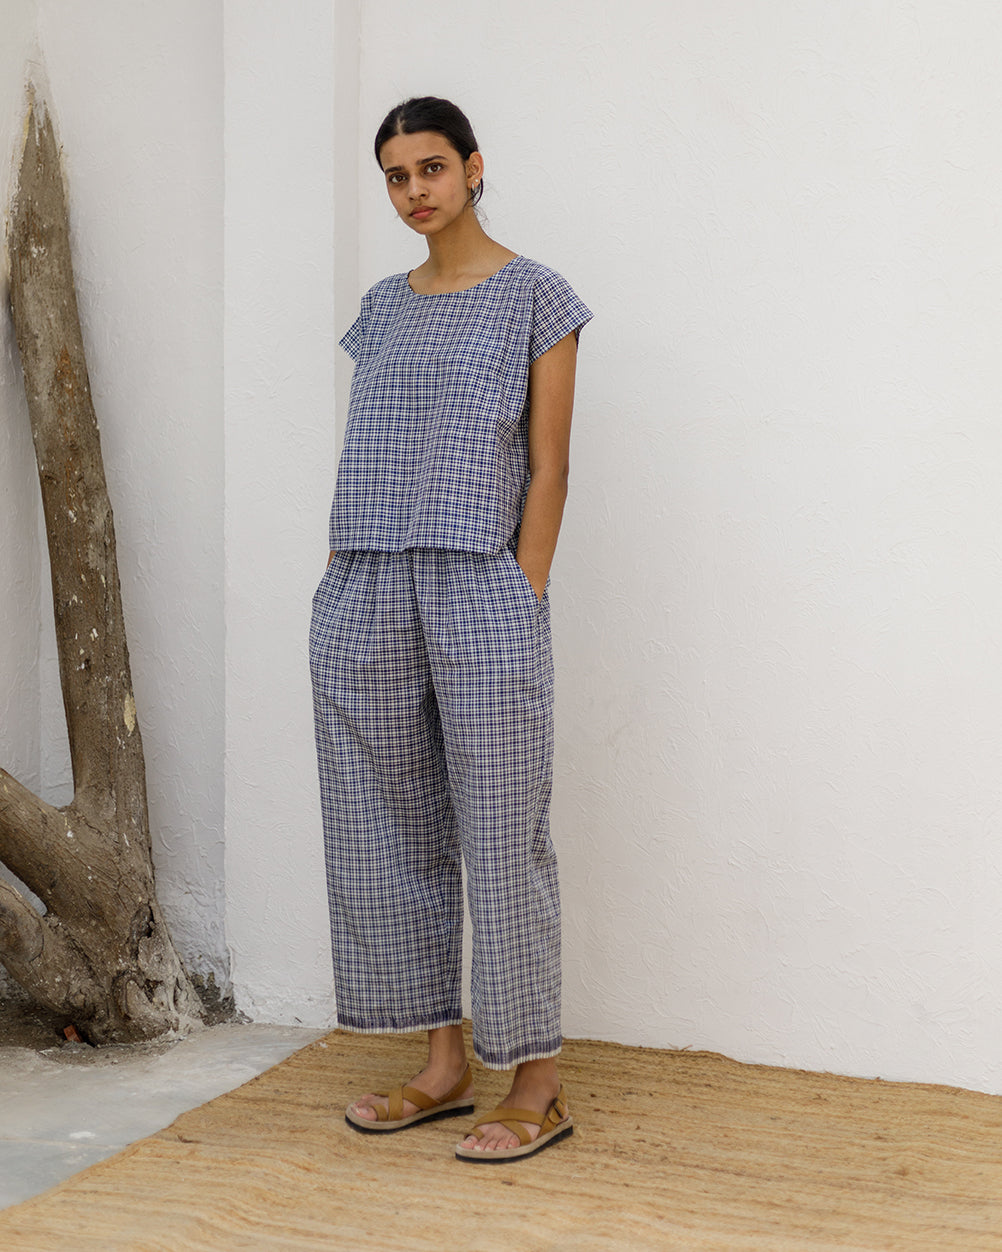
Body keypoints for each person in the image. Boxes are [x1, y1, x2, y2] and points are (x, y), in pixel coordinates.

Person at [310, 96, 591, 1163]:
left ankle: (537, 1084)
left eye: (431, 168)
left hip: (481, 581)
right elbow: (369, 442)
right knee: (390, 829)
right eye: (395, 175)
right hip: (368, 581)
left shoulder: (536, 296)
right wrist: (338, 573)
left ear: (474, 168)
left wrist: (525, 586)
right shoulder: (382, 306)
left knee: (504, 832)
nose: (413, 191)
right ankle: (442, 1066)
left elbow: (550, 464)